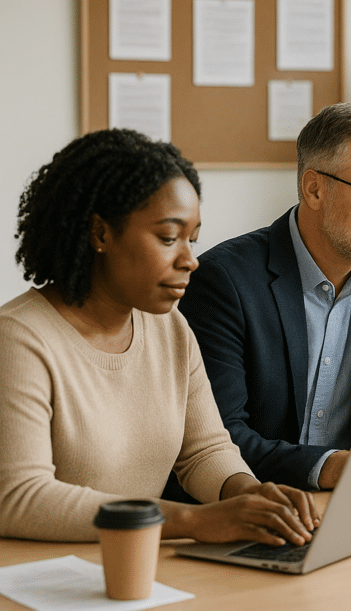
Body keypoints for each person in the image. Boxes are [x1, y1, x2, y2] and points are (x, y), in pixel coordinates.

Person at [0, 129, 318, 545]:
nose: (189, 260)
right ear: (100, 234)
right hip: (43, 579)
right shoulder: (19, 340)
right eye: (169, 238)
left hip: (136, 564)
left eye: (193, 239)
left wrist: (249, 494)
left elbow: (203, 450)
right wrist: (192, 521)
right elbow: (22, 497)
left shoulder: (170, 328)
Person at [174, 103, 351, 494]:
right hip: (251, 505)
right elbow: (216, 439)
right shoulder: (224, 280)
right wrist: (328, 467)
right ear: (314, 189)